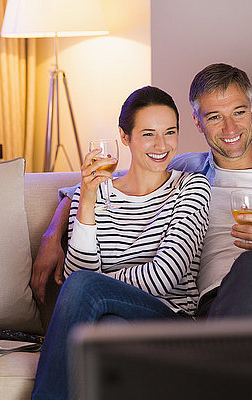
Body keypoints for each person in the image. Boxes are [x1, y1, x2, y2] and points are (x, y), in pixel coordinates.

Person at [32, 63, 252, 323]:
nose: (230, 128)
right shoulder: (185, 171)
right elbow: (103, 185)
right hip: (216, 307)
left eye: (238, 113)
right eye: (214, 117)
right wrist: (52, 236)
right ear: (197, 122)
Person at [31, 86, 211, 399]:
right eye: (149, 134)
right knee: (107, 333)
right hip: (111, 320)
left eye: (170, 133)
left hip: (171, 322)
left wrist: (95, 284)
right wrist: (85, 202)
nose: (161, 145)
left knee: (85, 287)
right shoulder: (91, 191)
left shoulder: (191, 187)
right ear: (124, 137)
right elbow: (79, 271)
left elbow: (164, 277)